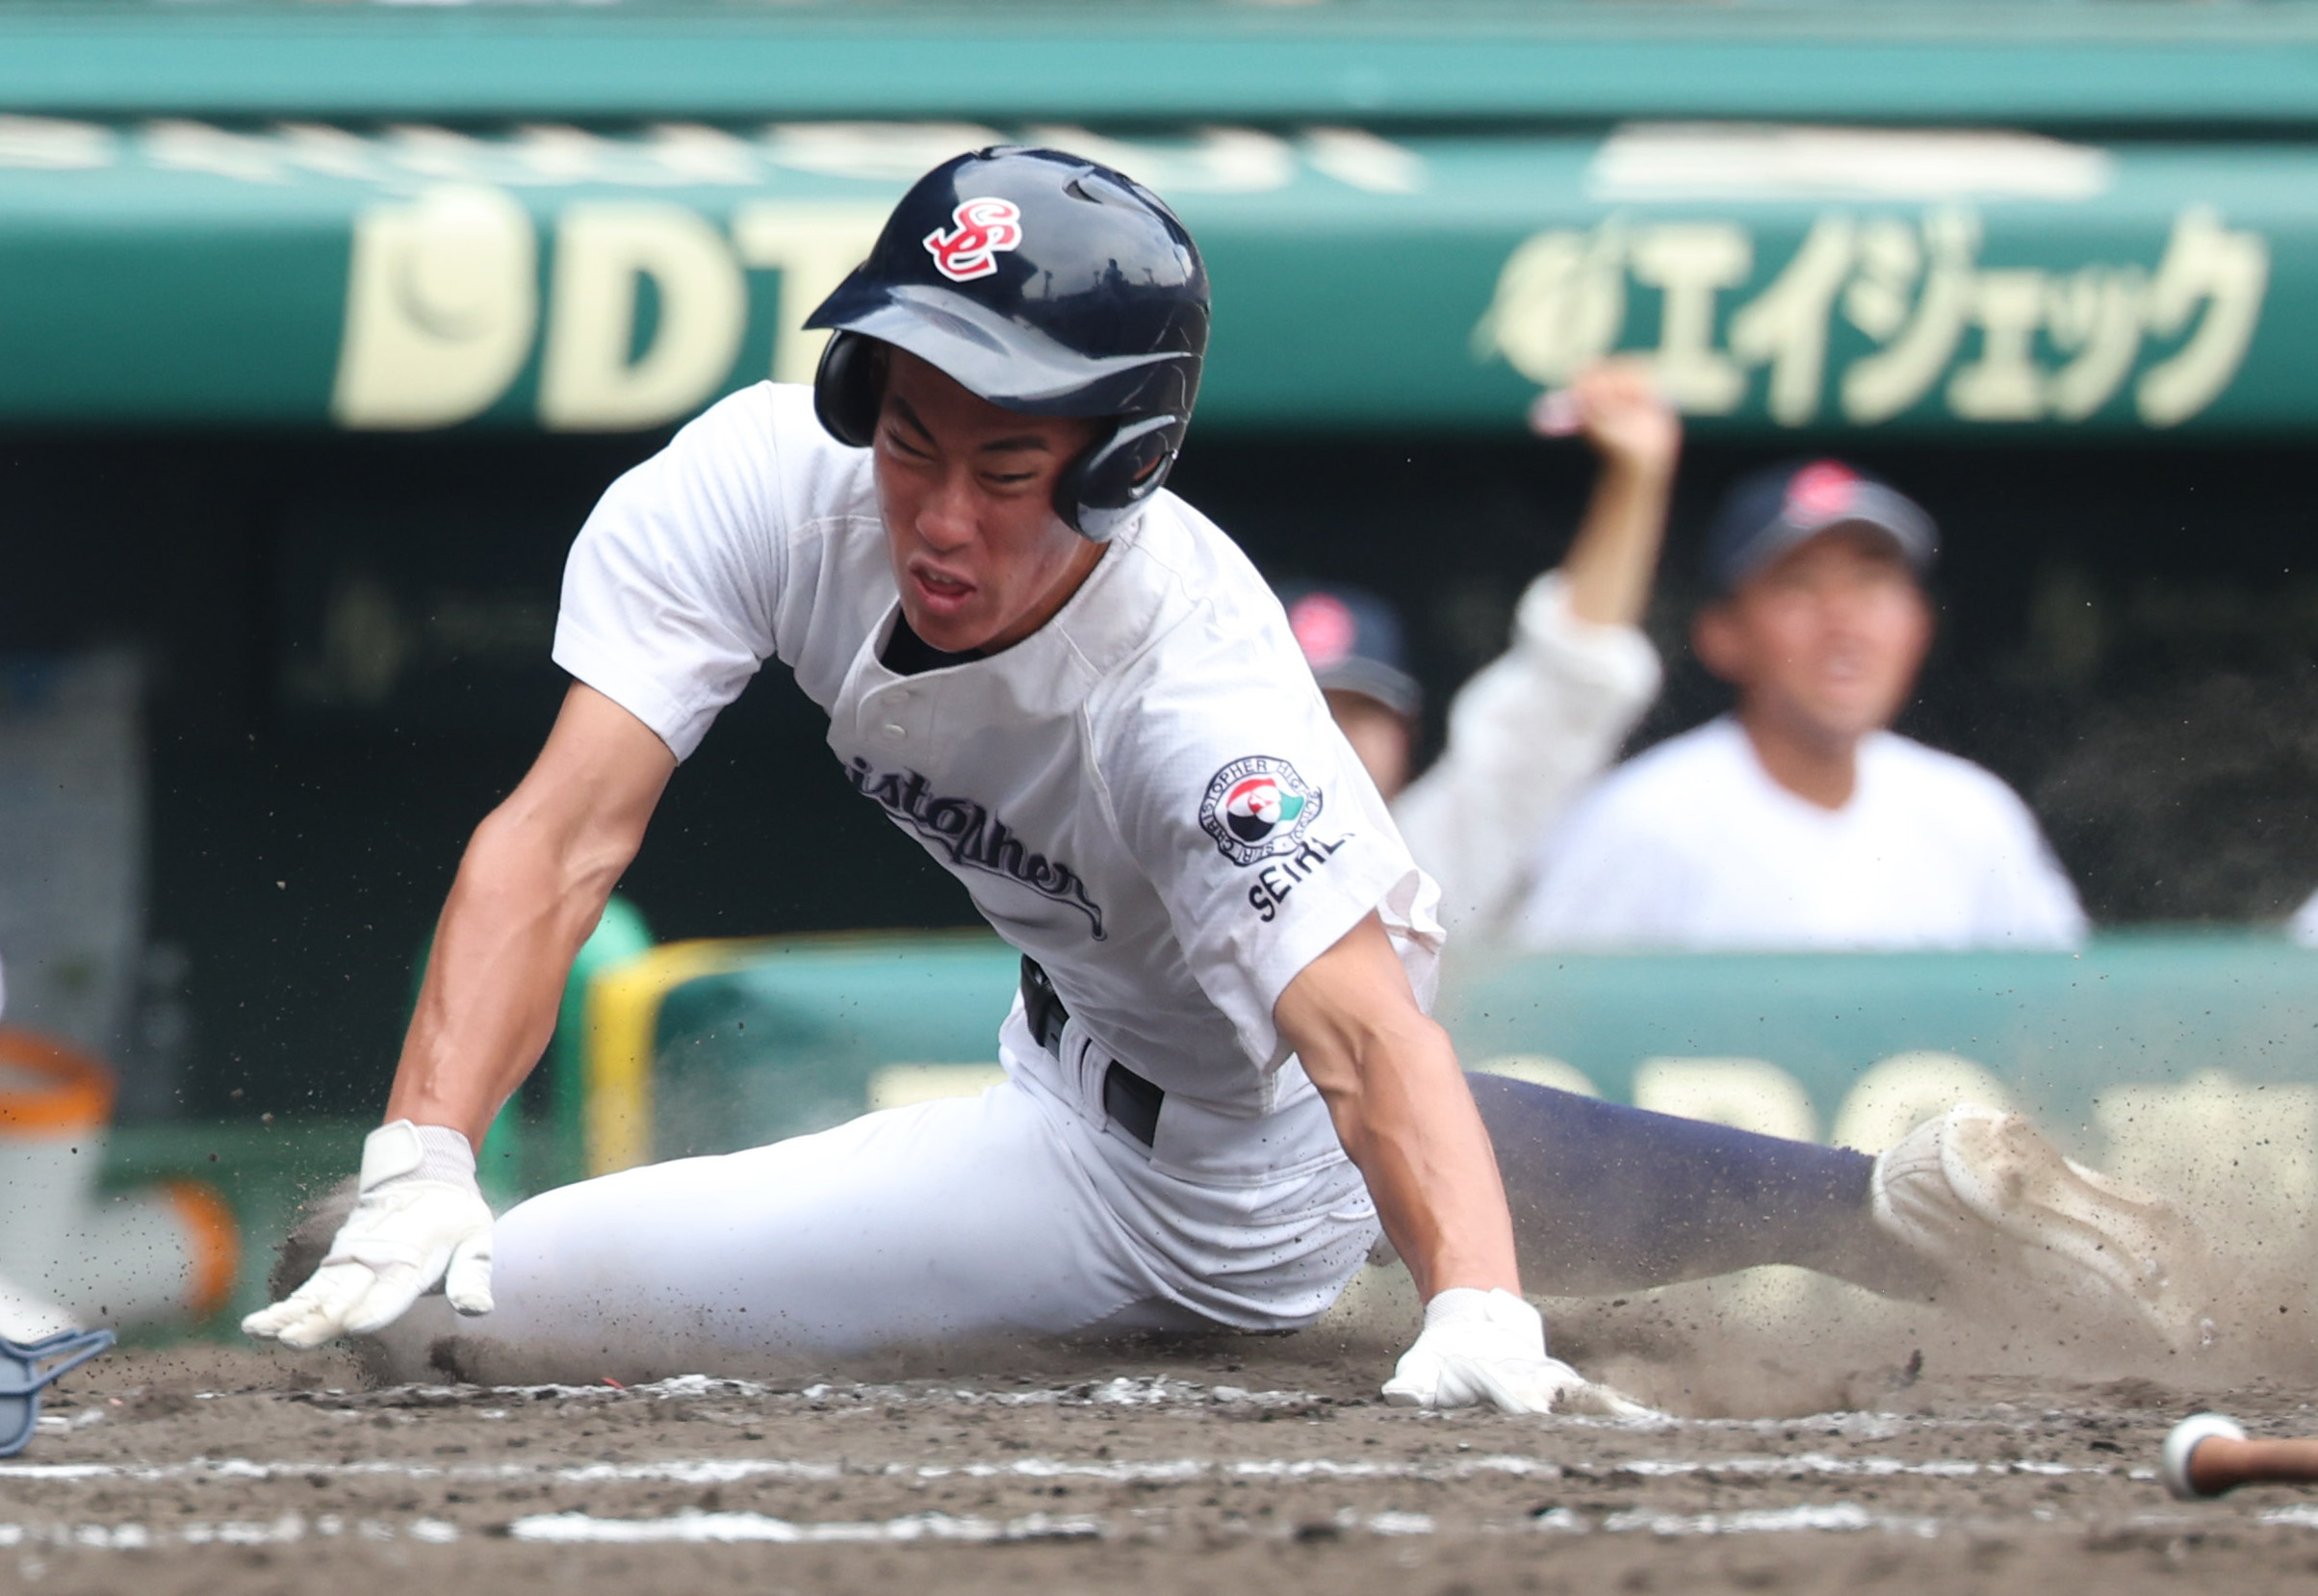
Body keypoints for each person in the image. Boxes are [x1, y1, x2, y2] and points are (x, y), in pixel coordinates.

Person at [246, 153, 2202, 1404]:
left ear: (1115, 459)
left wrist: (1480, 1311)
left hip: (1206, 1189)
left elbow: (1363, 1043)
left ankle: (1811, 1220)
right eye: (911, 431)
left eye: (1004, 462)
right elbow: (562, 831)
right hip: (1050, 1087)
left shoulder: (1196, 692)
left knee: (1304, 1187)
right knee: (404, 1275)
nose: (934, 509)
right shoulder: (768, 480)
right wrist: (428, 1146)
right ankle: (1872, 1202)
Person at [1517, 460, 2088, 951]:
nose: (1844, 623)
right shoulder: (1642, 820)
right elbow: (1537, 1037)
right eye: (1799, 586)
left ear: (1920, 624)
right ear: (1723, 634)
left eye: (1871, 583)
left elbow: (2073, 1018)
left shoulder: (1974, 816)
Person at [1282, 361, 1674, 943]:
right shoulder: (1158, 864)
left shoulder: (1432, 857)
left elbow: (1572, 679)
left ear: (1405, 736)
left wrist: (1637, 477)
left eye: (1357, 712)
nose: (1334, 742)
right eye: (1306, 714)